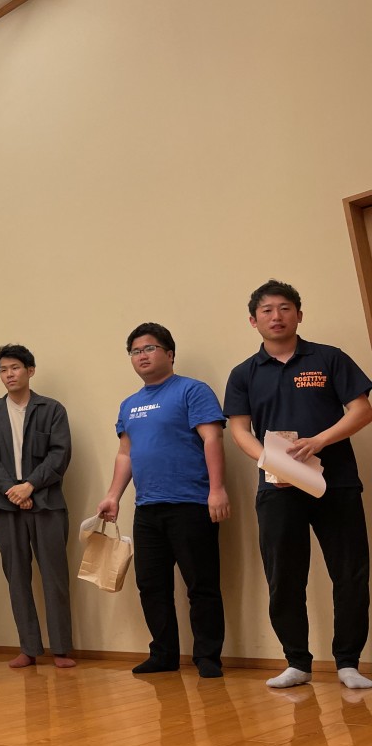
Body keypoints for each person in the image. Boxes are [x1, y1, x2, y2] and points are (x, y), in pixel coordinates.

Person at [223, 280, 372, 689]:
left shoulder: (329, 358)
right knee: (284, 576)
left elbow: (361, 410)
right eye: (267, 310)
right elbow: (239, 430)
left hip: (336, 484)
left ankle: (348, 663)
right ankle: (297, 663)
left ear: (299, 315)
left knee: (350, 573)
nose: (277, 316)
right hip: (277, 489)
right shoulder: (243, 373)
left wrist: (318, 441)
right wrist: (272, 462)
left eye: (285, 308)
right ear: (253, 321)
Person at [97, 323, 230, 679]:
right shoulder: (129, 405)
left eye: (149, 348)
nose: (142, 355)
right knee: (151, 585)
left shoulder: (192, 390)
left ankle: (208, 657)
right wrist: (113, 495)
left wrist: (217, 489)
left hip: (191, 503)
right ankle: (164, 654)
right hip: (147, 508)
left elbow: (213, 439)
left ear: (169, 354)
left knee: (201, 585)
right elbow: (125, 453)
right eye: (135, 351)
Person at [0, 344, 75, 669]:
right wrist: (12, 490)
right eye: (3, 369)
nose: (9, 374)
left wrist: (30, 485)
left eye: (15, 367)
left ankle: (61, 649)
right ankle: (28, 648)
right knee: (16, 577)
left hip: (46, 502)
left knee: (54, 576)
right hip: (5, 505)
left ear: (30, 371)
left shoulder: (52, 409)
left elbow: (60, 453)